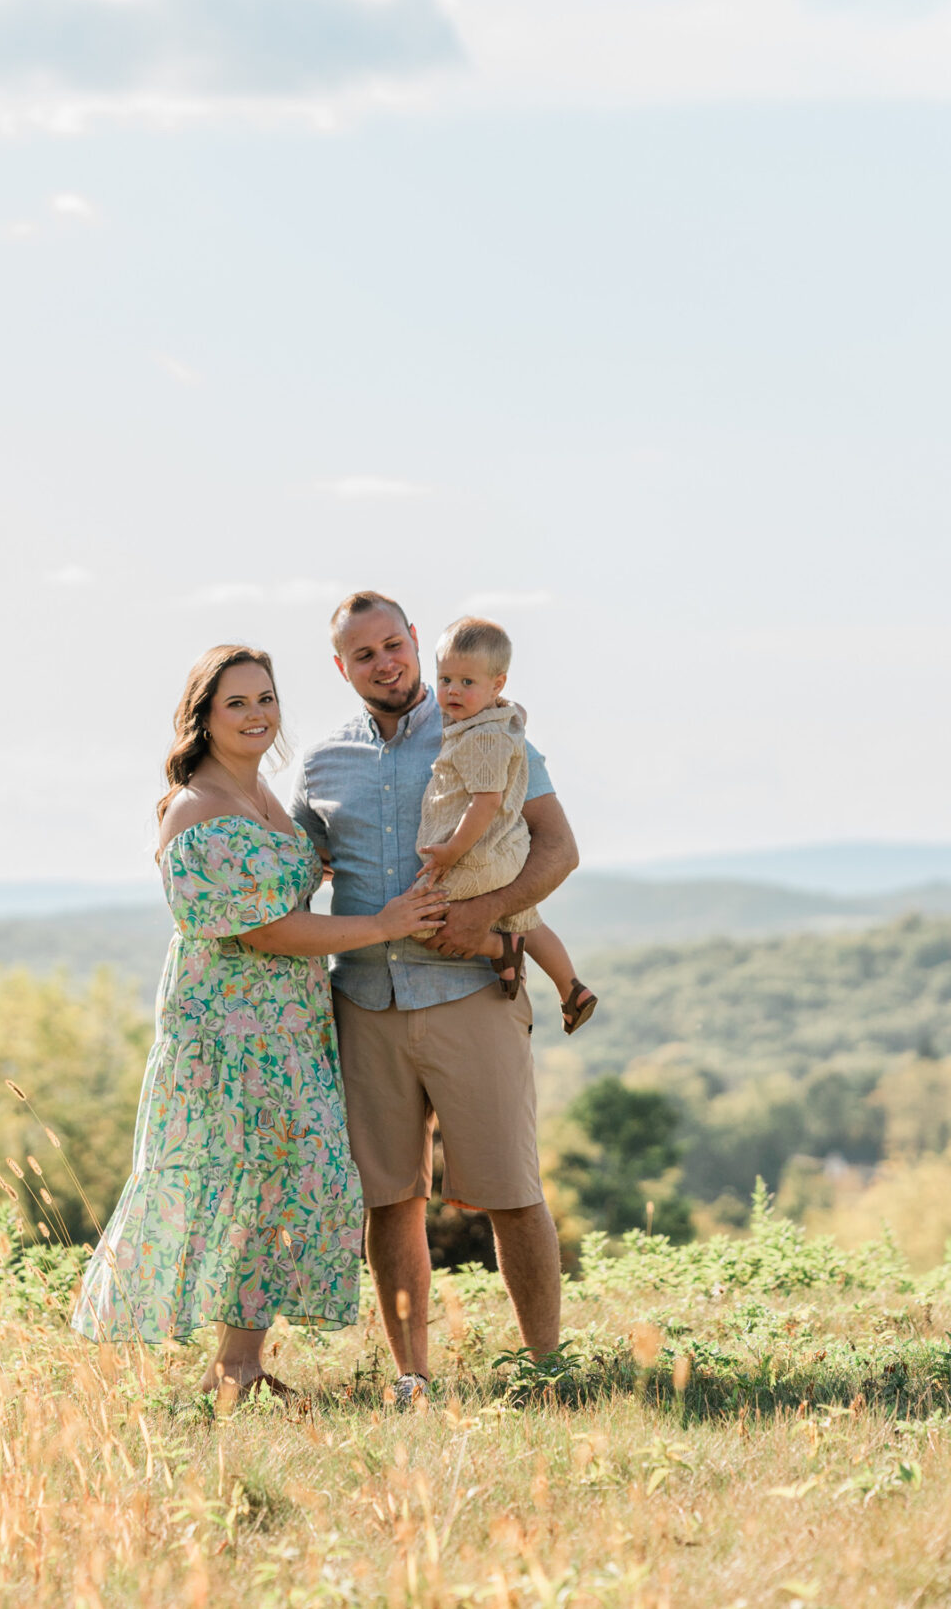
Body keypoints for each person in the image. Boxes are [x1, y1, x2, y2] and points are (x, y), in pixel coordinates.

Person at [71, 644, 447, 1402]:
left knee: (285, 1187)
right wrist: (384, 924)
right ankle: (233, 1367)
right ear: (203, 716)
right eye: (236, 701)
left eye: (265, 698)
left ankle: (237, 1364)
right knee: (243, 1184)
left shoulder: (268, 797)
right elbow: (264, 931)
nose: (255, 714)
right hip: (229, 1033)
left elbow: (300, 872)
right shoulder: (196, 807)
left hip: (293, 1029)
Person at [291, 592, 580, 1409]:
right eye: (364, 654)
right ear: (341, 667)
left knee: (511, 1189)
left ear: (415, 640)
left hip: (471, 992)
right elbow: (292, 877)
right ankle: (413, 1377)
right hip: (367, 1005)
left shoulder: (485, 729)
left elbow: (559, 848)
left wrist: (488, 913)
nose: (386, 663)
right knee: (391, 1199)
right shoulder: (320, 765)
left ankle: (545, 1368)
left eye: (394, 644)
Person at [412, 615, 598, 1032]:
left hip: (476, 855)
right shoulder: (505, 718)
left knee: (420, 920)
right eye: (445, 680)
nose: (452, 692)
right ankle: (571, 987)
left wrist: (452, 850)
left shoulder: (480, 737)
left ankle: (502, 948)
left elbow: (486, 801)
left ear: (497, 685)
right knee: (527, 919)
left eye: (467, 683)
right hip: (506, 854)